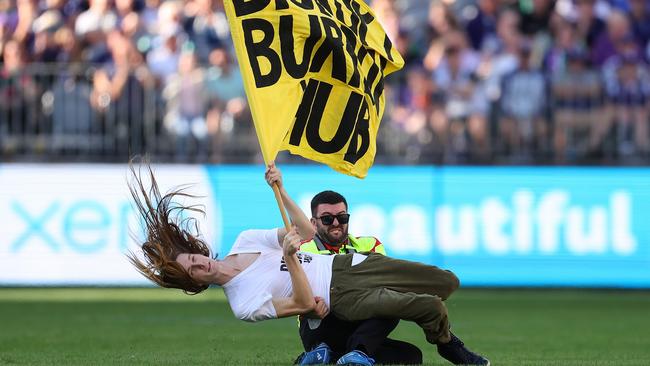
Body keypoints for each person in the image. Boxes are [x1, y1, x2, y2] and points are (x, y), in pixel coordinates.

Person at [127, 162, 490, 366]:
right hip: (338, 298)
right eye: (193, 271)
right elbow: (303, 303)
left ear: (199, 249)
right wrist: (290, 257)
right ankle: (446, 344)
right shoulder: (243, 304)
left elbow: (303, 230)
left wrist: (281, 189)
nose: (200, 265)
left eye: (194, 258)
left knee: (446, 281)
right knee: (428, 306)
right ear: (196, 282)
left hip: (349, 265)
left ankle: (335, 357)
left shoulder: (245, 241)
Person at [294, 190, 422, 365]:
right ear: (313, 223)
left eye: (342, 217)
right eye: (327, 219)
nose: (336, 223)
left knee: (412, 355)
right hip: (321, 322)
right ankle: (344, 353)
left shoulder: (370, 244)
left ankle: (342, 355)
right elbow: (299, 294)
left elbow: (381, 286)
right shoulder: (303, 250)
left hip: (358, 325)